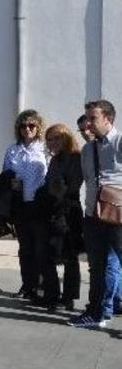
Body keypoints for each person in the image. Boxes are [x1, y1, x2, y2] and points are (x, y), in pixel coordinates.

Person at [69, 100, 122, 328]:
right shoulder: (87, 149)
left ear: (108, 119)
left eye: (93, 118)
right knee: (97, 266)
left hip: (119, 216)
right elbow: (88, 182)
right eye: (87, 118)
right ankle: (96, 312)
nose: (88, 124)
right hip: (92, 216)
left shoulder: (120, 142)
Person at [35, 124, 83, 312]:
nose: (53, 142)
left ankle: (68, 298)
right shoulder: (55, 160)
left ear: (66, 138)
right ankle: (51, 295)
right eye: (50, 139)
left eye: (57, 138)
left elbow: (70, 187)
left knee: (70, 256)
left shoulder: (76, 158)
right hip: (52, 210)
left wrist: (54, 189)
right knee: (47, 254)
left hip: (69, 211)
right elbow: (51, 185)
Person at [3, 109, 48, 301]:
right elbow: (6, 173)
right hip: (20, 204)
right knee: (25, 248)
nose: (27, 129)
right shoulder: (13, 150)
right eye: (23, 126)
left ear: (38, 127)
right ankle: (27, 285)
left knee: (40, 248)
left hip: (39, 204)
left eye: (31, 125)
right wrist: (10, 182)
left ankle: (41, 286)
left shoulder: (45, 149)